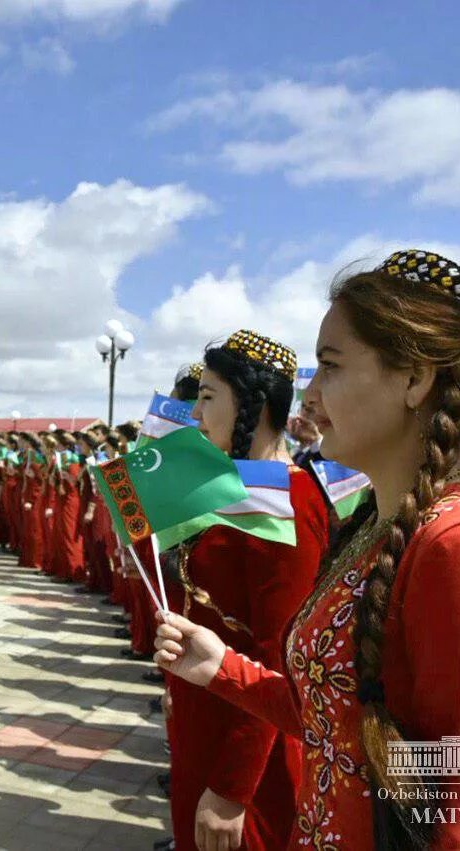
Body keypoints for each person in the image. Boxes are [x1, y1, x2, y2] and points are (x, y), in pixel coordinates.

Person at [156, 250, 460, 850]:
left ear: (416, 379)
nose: (309, 398)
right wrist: (222, 668)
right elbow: (340, 722)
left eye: (330, 367)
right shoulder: (378, 526)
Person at [162, 331, 328, 851]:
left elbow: (279, 656)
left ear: (251, 407)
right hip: (203, 712)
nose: (195, 415)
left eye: (208, 398)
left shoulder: (290, 501)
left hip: (249, 746)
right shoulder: (234, 489)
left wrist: (233, 788)